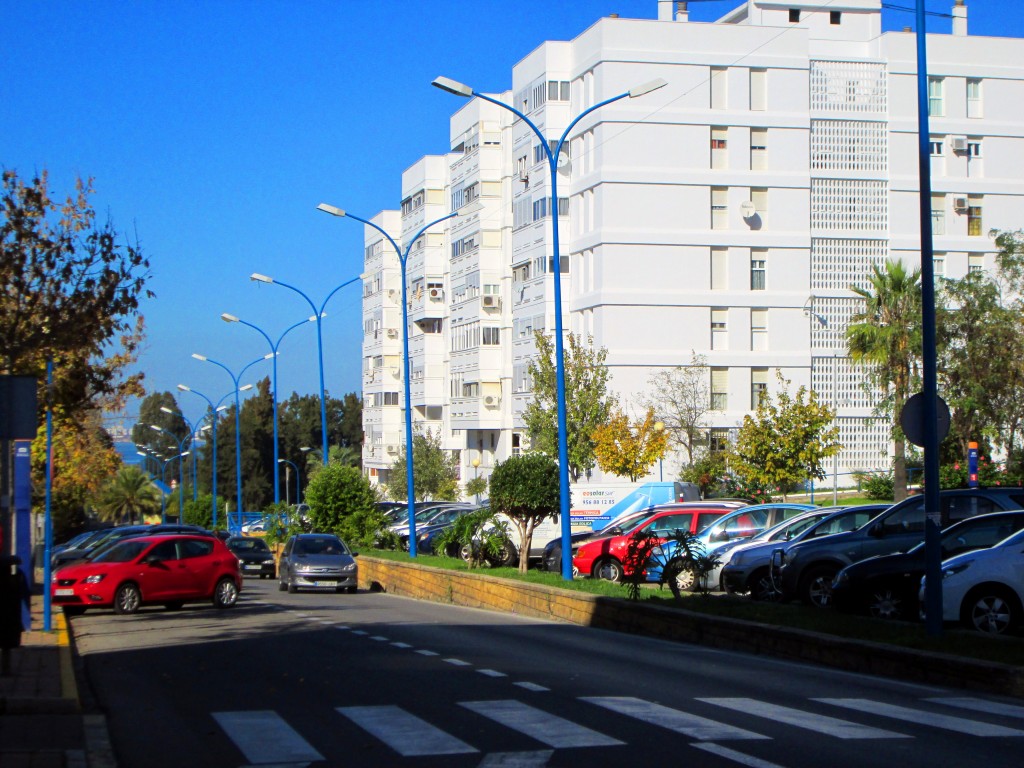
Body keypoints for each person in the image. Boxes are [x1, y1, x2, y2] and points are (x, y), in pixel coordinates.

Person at [1, 555, 31, 676]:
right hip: (8, 620)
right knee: (6, 647)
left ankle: (6, 669)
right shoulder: (14, 581)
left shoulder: (13, 581)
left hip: (7, 619)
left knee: (6, 646)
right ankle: (5, 669)